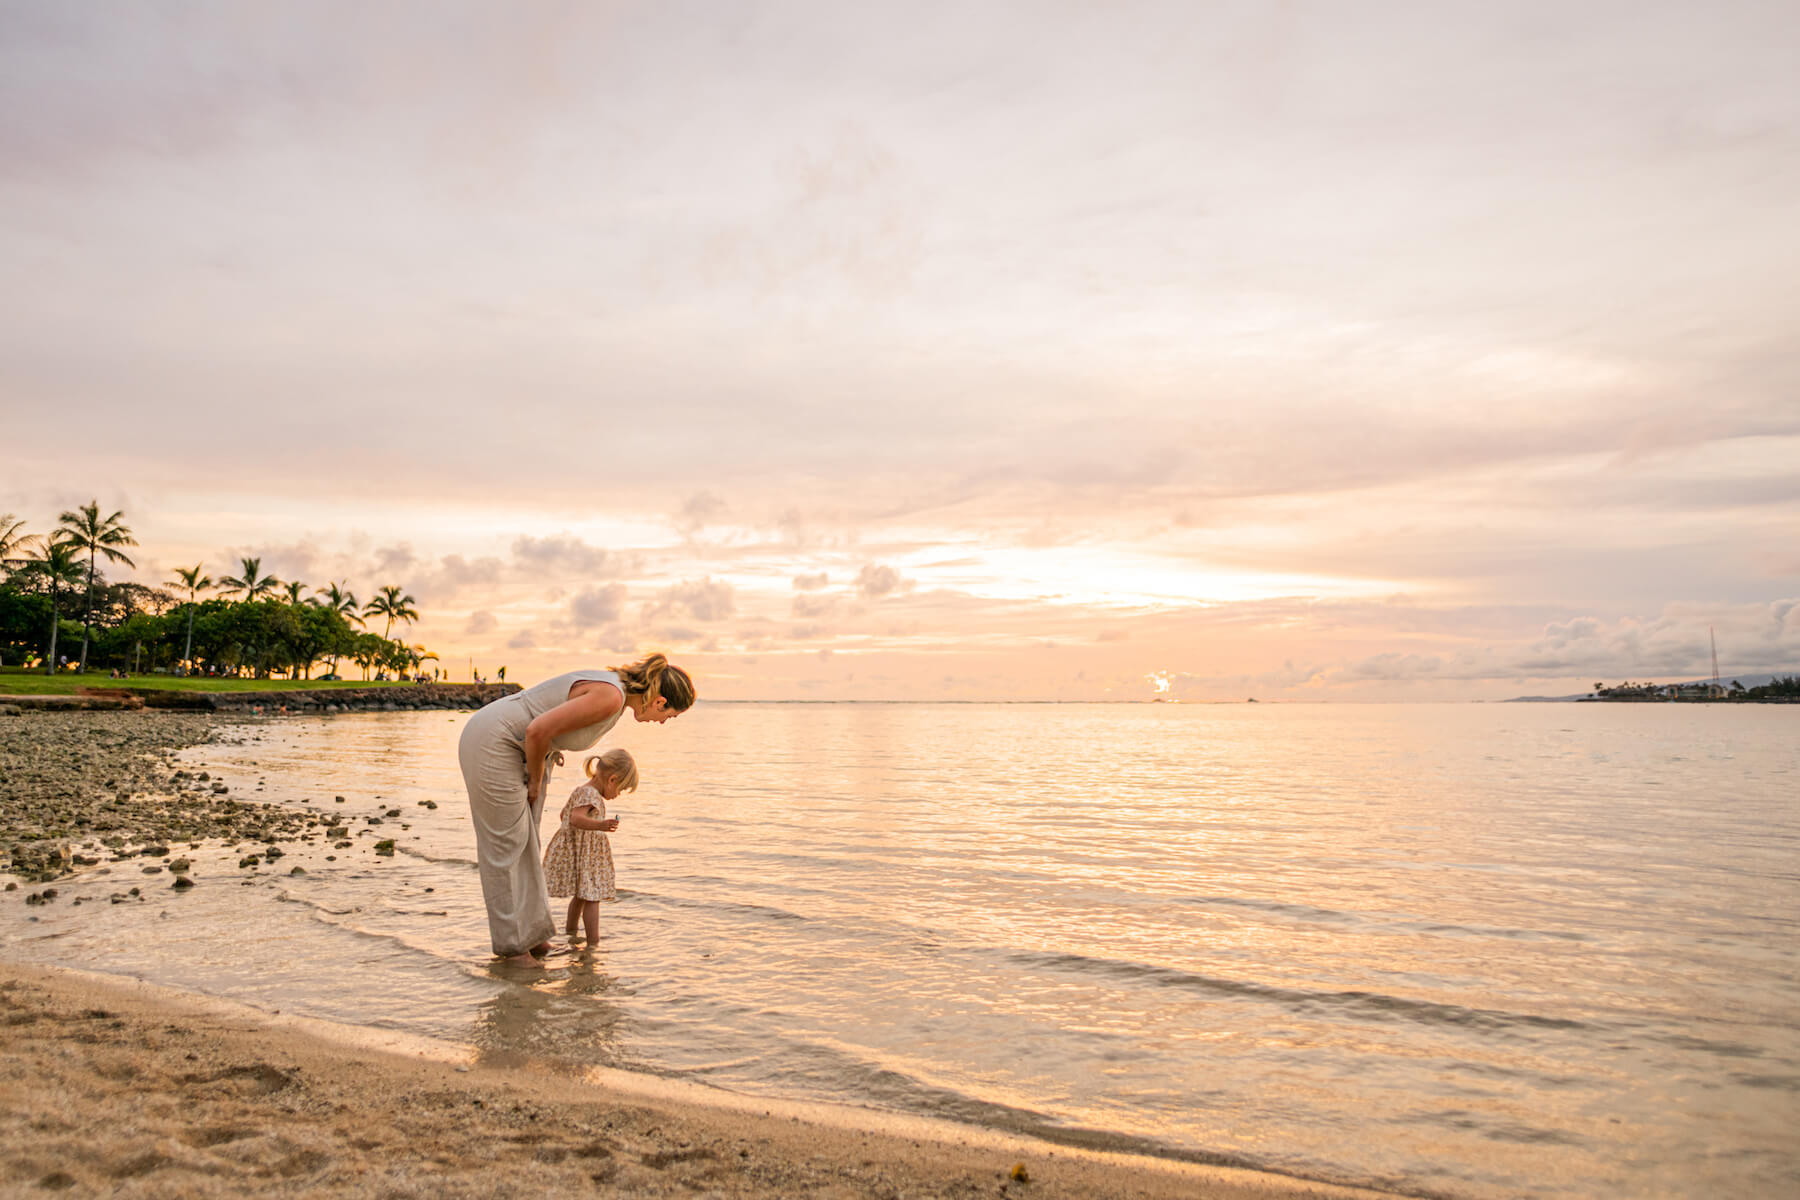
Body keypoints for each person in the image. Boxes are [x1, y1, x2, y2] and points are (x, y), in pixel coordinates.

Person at [457, 653, 695, 966]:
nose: (663, 722)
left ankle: (533, 937)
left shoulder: (616, 698)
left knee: (527, 844)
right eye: (669, 716)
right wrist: (536, 782)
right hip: (494, 742)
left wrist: (544, 762)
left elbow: (547, 729)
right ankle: (514, 950)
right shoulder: (612, 696)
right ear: (661, 702)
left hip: (521, 750)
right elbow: (537, 730)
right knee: (506, 848)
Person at [544, 748, 633, 946]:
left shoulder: (582, 790)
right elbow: (576, 818)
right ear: (612, 780)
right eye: (620, 789)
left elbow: (564, 816)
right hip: (585, 854)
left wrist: (579, 836)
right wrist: (600, 826)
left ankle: (572, 933)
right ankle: (593, 942)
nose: (617, 795)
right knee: (593, 896)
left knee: (581, 895)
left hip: (581, 853)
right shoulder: (591, 795)